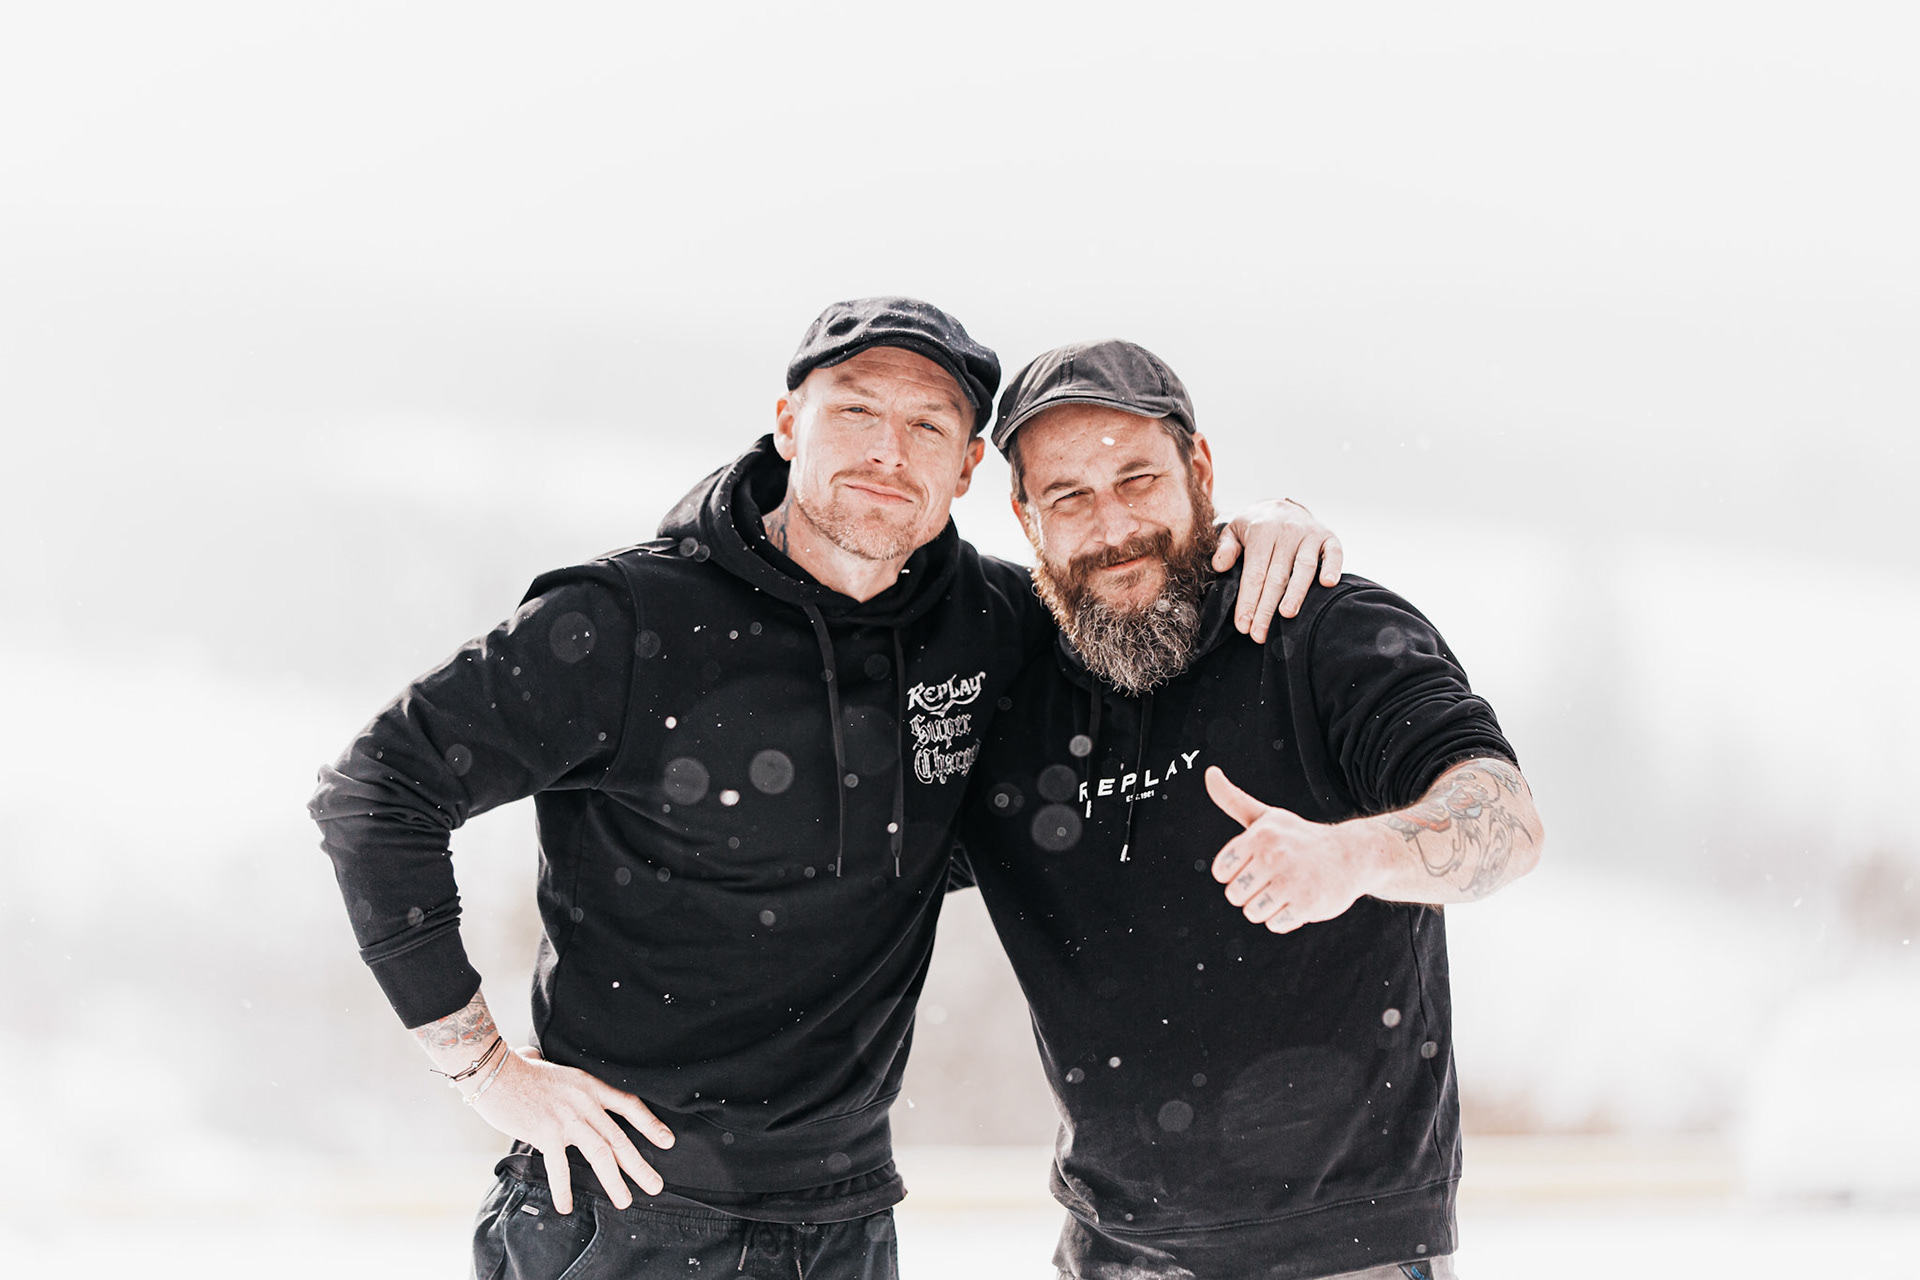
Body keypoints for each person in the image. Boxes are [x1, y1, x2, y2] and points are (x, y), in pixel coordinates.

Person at [308, 299, 1342, 1279]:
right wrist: (484, 1068)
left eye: (928, 425)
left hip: (845, 1221)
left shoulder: (993, 625)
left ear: (968, 468)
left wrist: (1259, 528)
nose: (889, 450)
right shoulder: (627, 621)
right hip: (624, 1214)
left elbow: (1136, 621)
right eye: (855, 410)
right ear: (788, 423)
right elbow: (375, 792)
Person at [954, 339, 1544, 1280]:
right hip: (1110, 1257)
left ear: (1200, 471)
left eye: (1139, 479)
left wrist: (1352, 858)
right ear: (1025, 518)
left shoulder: (1322, 631)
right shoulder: (1007, 702)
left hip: (1348, 1253)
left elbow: (1504, 819)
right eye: (1069, 496)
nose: (1114, 525)